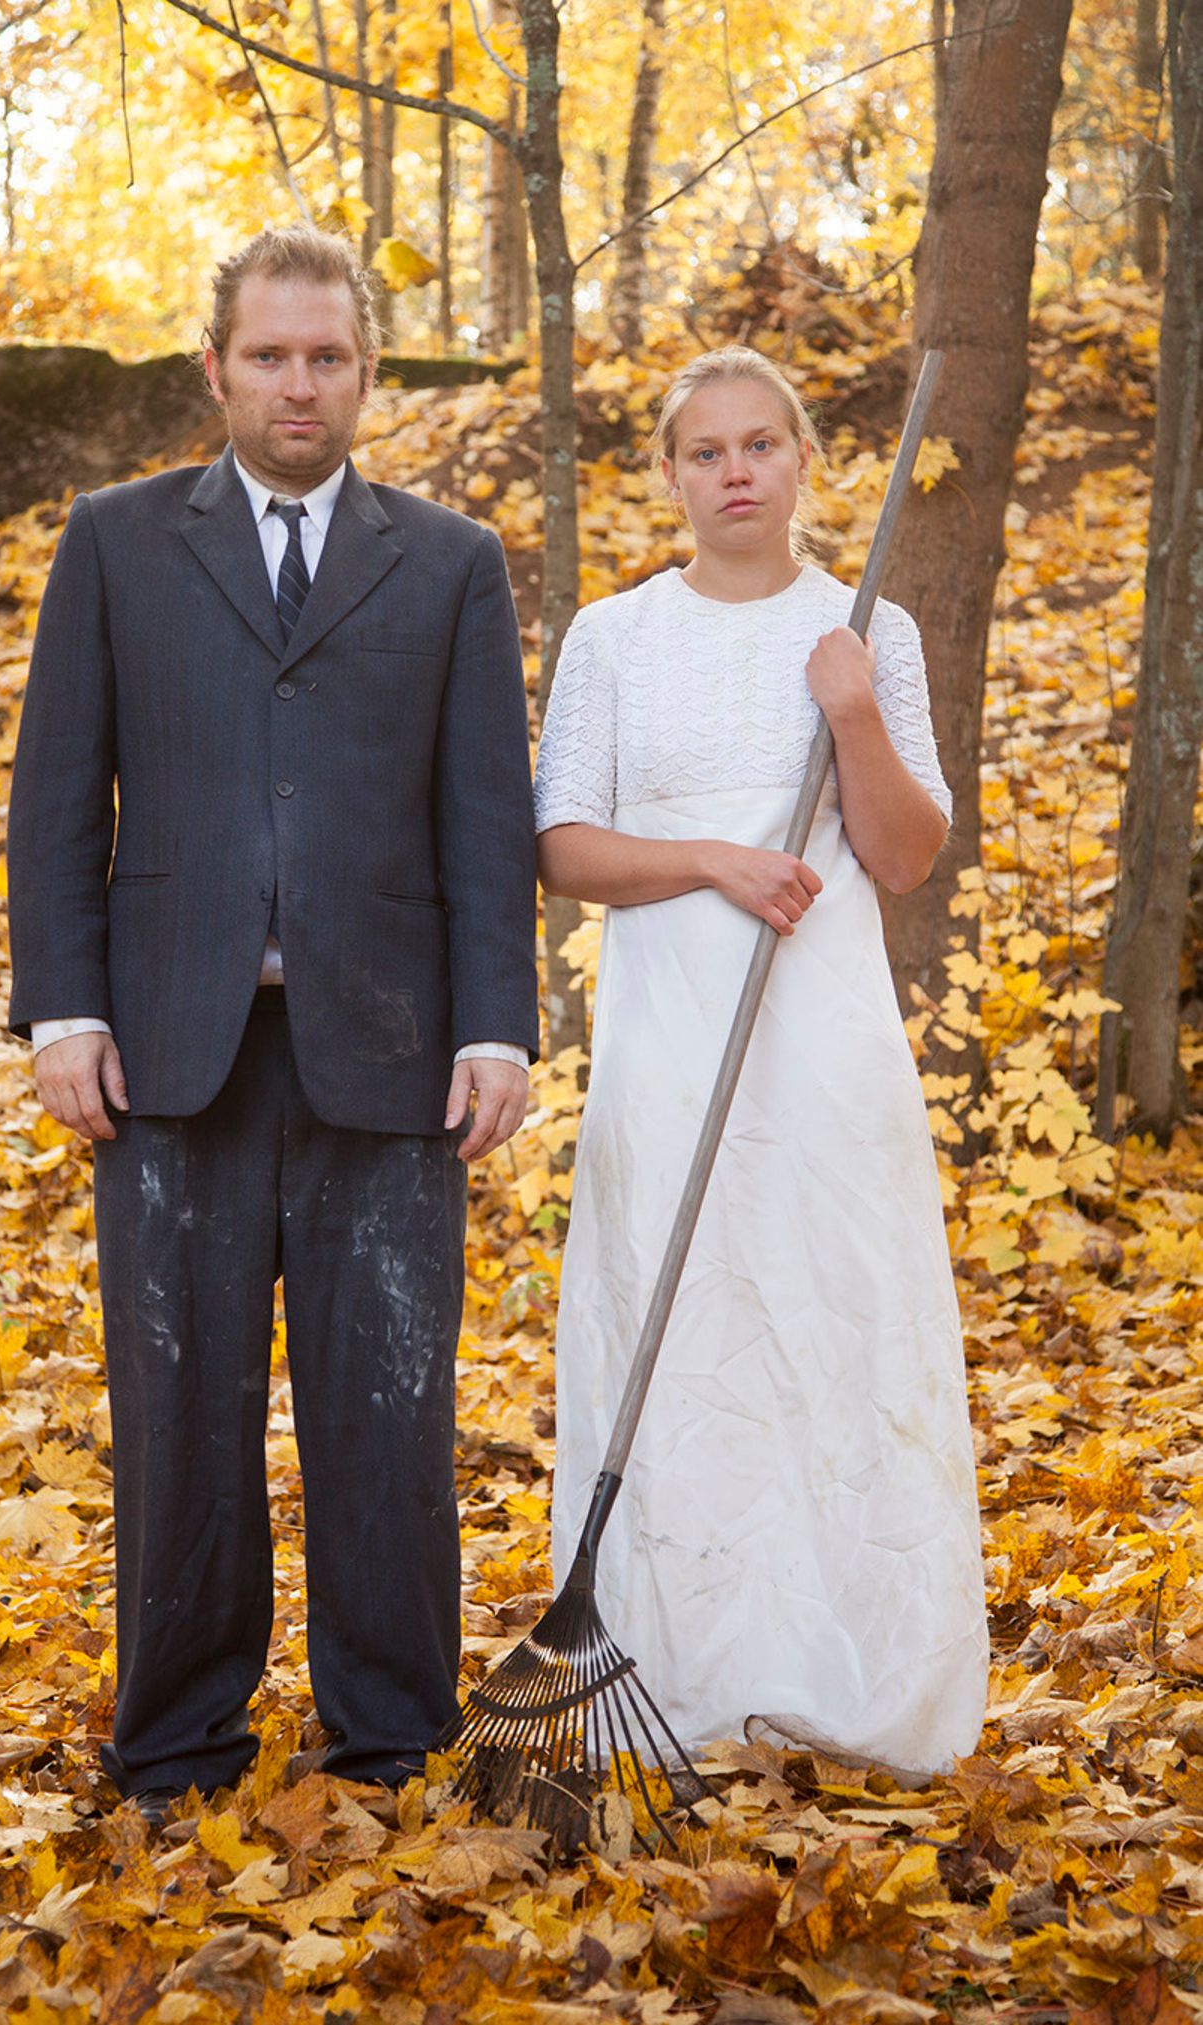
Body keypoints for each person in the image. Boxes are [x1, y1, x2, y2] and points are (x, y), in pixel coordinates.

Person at [7, 225, 539, 1818]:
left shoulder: (445, 561)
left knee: (388, 1407)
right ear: (216, 367)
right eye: (269, 355)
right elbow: (54, 800)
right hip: (169, 1054)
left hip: (390, 1056)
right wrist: (62, 1007)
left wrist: (496, 1028)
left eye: (328, 357)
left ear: (368, 373)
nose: (298, 383)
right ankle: (176, 1740)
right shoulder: (113, 542)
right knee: (180, 1409)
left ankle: (388, 1732)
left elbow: (484, 818)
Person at [533, 347, 988, 1776]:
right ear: (668, 476)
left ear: (801, 462)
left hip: (823, 1050)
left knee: (829, 1315)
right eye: (704, 450)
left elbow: (905, 855)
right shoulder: (613, 638)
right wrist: (714, 861)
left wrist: (848, 706)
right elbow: (563, 849)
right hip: (671, 1048)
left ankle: (854, 1675)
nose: (734, 470)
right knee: (681, 1328)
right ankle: (677, 1669)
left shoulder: (874, 632)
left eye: (760, 444)